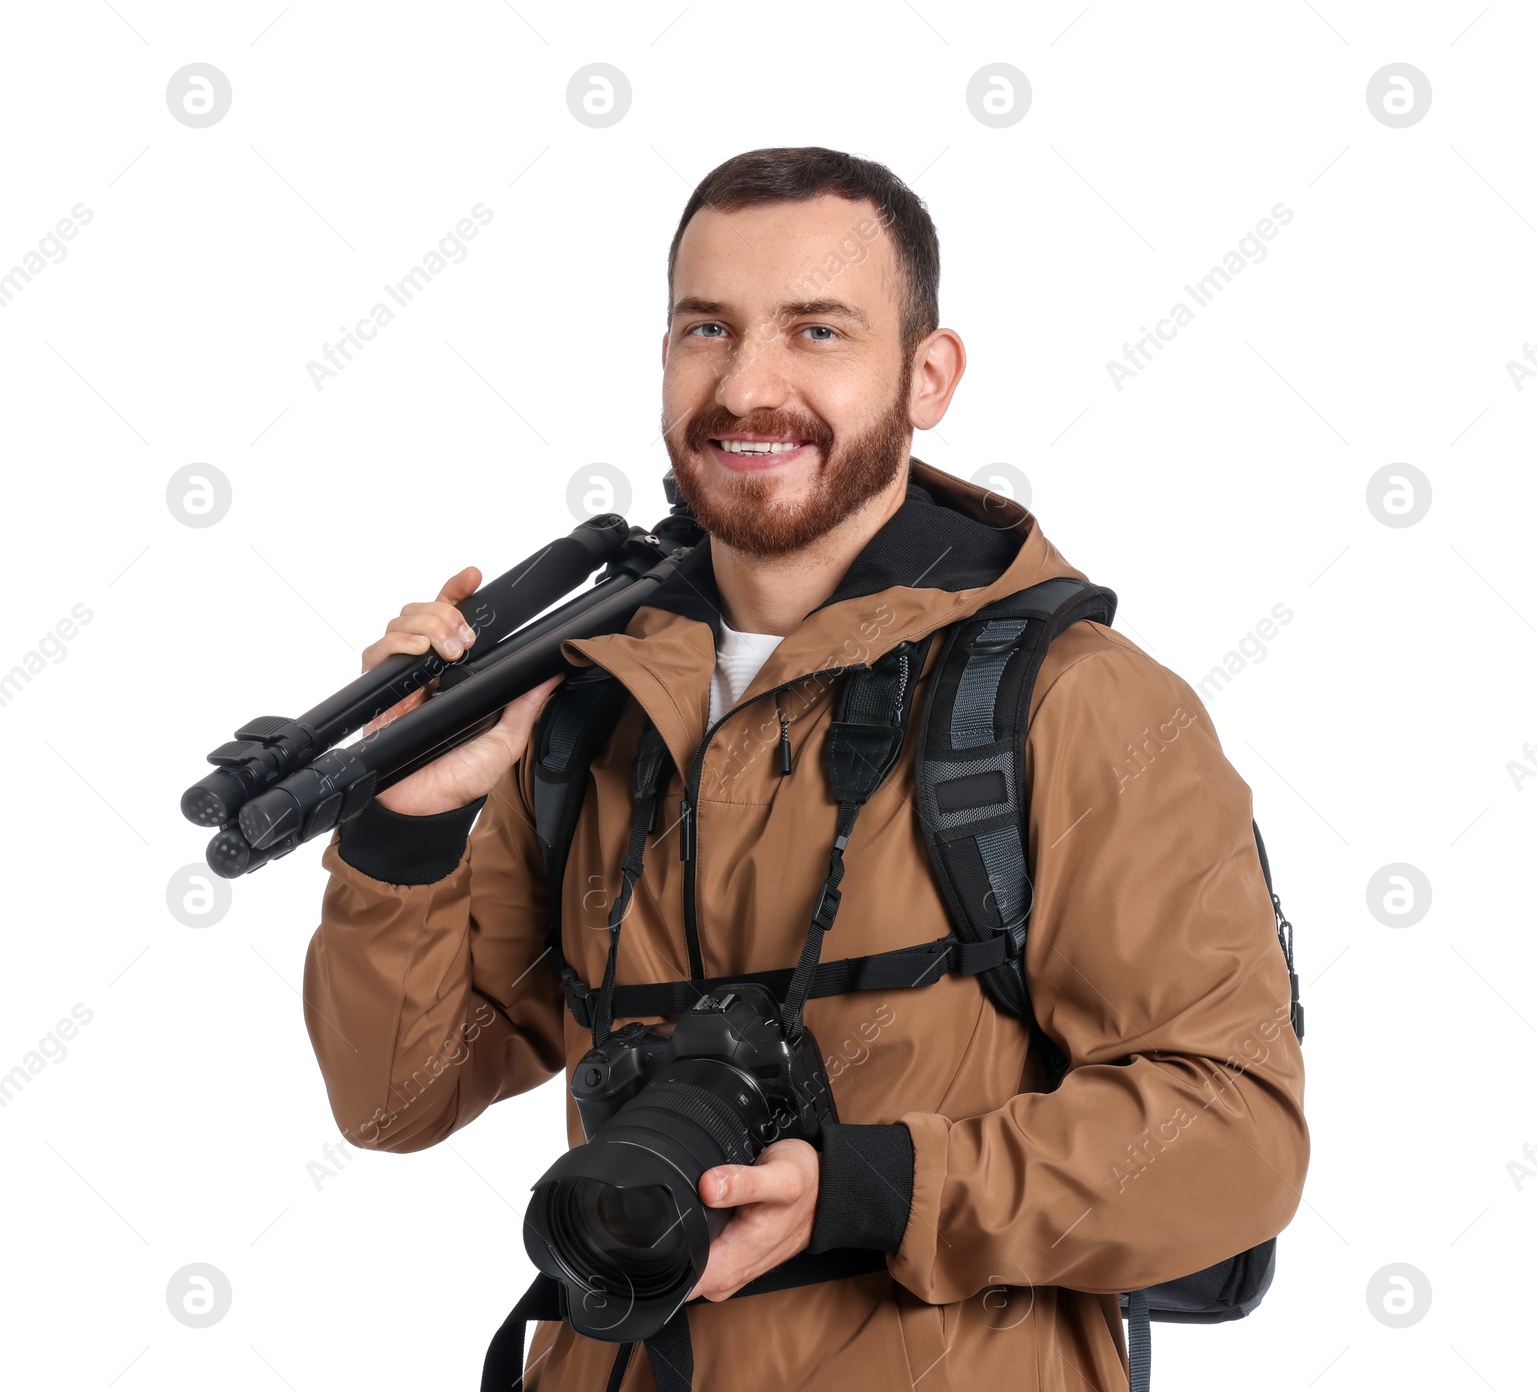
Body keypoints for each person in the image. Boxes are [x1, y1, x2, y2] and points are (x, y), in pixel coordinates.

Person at [303, 146, 1310, 1391]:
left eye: (817, 331)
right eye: (705, 330)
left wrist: (873, 1190)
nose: (746, 386)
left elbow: (1235, 1144)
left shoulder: (1076, 705)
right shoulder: (584, 708)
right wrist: (405, 826)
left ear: (927, 376)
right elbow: (395, 1102)